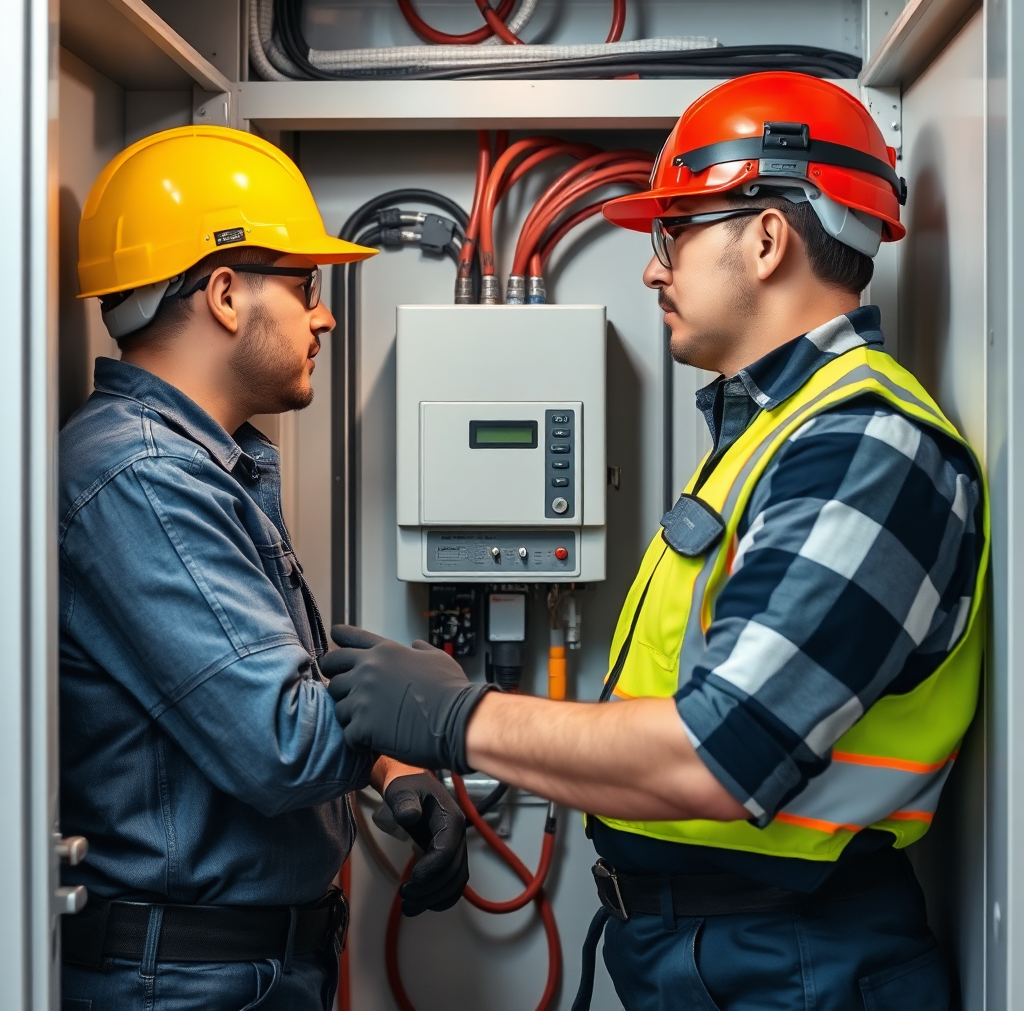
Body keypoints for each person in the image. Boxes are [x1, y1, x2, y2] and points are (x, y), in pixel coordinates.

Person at [323, 73, 988, 1011]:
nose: (651, 267)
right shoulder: (775, 434)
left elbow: (722, 754)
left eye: (674, 232)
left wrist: (457, 717)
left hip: (795, 961)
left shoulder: (864, 445)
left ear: (766, 238)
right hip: (718, 949)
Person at [59, 125, 468, 1010]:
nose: (324, 316)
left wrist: (391, 770)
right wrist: (428, 713)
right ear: (224, 295)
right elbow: (282, 744)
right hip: (184, 981)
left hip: (240, 968)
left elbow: (280, 688)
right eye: (305, 286)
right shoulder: (145, 478)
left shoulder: (204, 466)